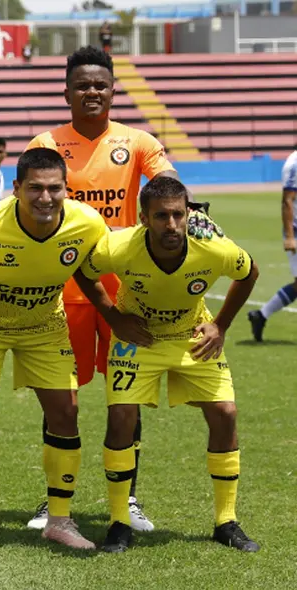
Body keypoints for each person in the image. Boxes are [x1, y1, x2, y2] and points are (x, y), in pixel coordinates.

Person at [23, 45, 216, 532]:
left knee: (125, 398)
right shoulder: (44, 143)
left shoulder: (139, 141)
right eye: (82, 85)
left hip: (127, 294)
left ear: (113, 90)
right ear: (66, 92)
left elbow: (169, 183)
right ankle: (55, 500)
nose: (92, 92)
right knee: (60, 399)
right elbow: (24, 207)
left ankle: (126, 498)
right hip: (61, 291)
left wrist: (191, 213)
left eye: (100, 84)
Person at [74, 176, 261, 554]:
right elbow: (84, 270)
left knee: (225, 413)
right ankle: (118, 523)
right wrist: (113, 318)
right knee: (121, 416)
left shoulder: (214, 248)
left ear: (189, 214)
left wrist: (220, 325)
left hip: (192, 335)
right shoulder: (118, 246)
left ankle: (226, 521)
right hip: (137, 338)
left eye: (178, 215)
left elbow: (249, 272)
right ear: (144, 218)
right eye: (161, 216)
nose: (171, 225)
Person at [0, 148, 107, 555]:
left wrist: (114, 315)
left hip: (44, 325)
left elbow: (99, 264)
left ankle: (59, 520)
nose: (46, 198)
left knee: (66, 412)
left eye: (55, 188)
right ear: (16, 189)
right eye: (35, 188)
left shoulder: (86, 223)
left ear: (67, 190)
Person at [247, 146, 297, 340]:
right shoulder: (294, 164)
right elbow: (287, 201)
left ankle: (260, 315)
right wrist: (290, 237)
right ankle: (261, 315)